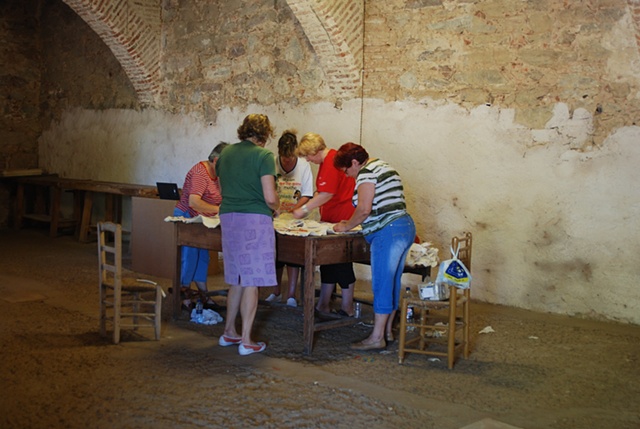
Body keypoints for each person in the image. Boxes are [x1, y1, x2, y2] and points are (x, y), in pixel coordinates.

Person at [333, 142, 416, 351]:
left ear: (354, 162)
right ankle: (387, 331)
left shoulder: (366, 172)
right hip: (403, 227)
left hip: (388, 231)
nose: (347, 175)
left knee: (381, 282)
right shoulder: (383, 166)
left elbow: (363, 209)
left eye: (347, 170)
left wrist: (346, 226)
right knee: (392, 282)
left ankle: (376, 337)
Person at [216, 114, 280, 356]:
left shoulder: (225, 154)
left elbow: (222, 190)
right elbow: (270, 197)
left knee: (236, 278)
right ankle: (246, 340)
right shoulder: (263, 156)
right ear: (265, 134)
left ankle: (229, 331)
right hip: (254, 219)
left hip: (228, 218)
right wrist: (277, 208)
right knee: (252, 279)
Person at [292, 133, 356, 317]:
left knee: (342, 263)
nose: (307, 160)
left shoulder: (330, 161)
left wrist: (303, 209)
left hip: (342, 218)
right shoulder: (327, 162)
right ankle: (323, 304)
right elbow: (323, 191)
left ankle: (347, 307)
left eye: (308, 155)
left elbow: (326, 193)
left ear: (315, 150)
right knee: (328, 261)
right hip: (331, 218)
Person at [173, 142, 229, 310]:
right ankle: (183, 292)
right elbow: (194, 202)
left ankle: (203, 294)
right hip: (188, 217)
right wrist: (221, 210)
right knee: (190, 257)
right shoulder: (200, 172)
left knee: (203, 257)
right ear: (216, 160)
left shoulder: (218, 175)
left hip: (203, 220)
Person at [265, 130, 314, 307]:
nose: (287, 161)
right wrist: (275, 208)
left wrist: (293, 209)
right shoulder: (271, 162)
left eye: (290, 158)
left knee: (293, 255)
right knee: (276, 253)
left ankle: (291, 294)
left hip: (296, 215)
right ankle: (275, 290)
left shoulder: (303, 165)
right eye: (284, 158)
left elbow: (307, 194)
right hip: (276, 215)